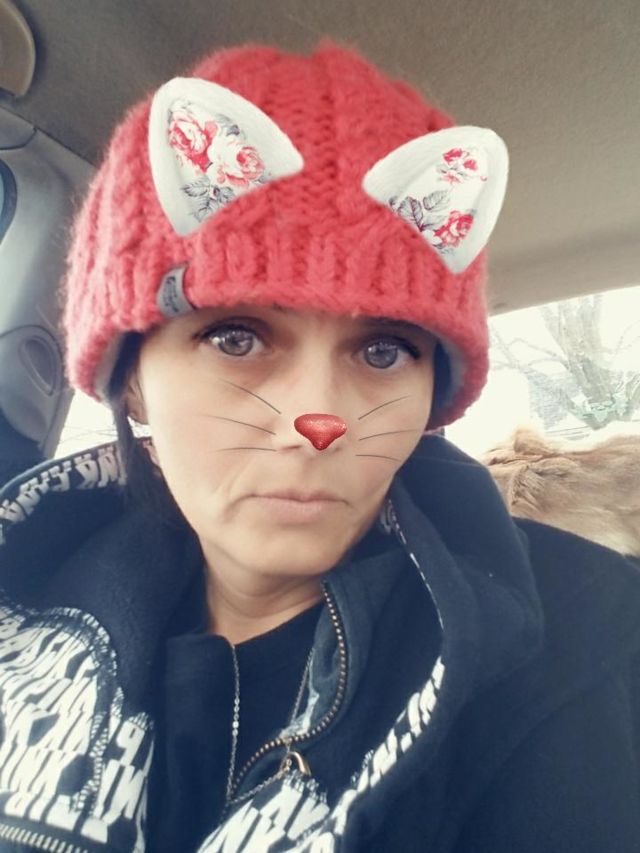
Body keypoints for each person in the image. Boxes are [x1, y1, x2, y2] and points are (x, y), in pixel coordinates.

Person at [0, 40, 639, 853]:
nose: (319, 418)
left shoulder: (588, 642)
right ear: (129, 381)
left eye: (383, 351)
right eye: (236, 337)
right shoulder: (22, 598)